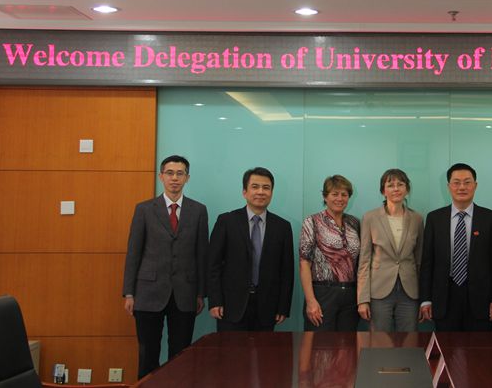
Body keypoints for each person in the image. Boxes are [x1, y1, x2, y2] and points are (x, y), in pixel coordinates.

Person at [122, 155, 209, 378]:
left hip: (185, 293)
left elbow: (202, 254)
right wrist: (129, 292)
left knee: (181, 355)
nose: (174, 178)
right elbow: (134, 253)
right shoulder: (144, 209)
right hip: (148, 292)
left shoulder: (198, 210)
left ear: (187, 178)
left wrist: (201, 293)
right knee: (148, 354)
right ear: (161, 176)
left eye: (180, 174)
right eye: (170, 173)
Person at [419, 163, 492, 331]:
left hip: (481, 299)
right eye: (456, 182)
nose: (462, 187)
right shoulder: (434, 218)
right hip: (444, 297)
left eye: (467, 182)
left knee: (479, 345)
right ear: (448, 186)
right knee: (446, 344)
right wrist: (425, 299)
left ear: (475, 185)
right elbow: (427, 262)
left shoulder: (490, 219)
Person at [207, 167, 294, 331]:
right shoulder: (226, 221)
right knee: (231, 349)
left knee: (264, 349)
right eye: (255, 187)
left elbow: (287, 271)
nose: (261, 192)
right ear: (244, 192)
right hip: (230, 306)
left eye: (266, 187)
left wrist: (283, 307)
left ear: (271, 192)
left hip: (267, 307)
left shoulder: (282, 227)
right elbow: (213, 265)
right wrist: (215, 301)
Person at [357, 168, 424, 331]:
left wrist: (424, 299)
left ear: (407, 189)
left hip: (409, 291)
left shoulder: (417, 219)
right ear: (383, 191)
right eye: (390, 185)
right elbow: (364, 261)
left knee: (409, 340)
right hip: (379, 290)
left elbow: (420, 260)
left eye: (400, 184)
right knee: (379, 340)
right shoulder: (370, 218)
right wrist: (362, 299)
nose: (396, 189)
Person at [299, 175, 361, 331]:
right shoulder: (312, 221)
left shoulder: (354, 223)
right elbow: (304, 263)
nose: (340, 198)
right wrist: (311, 301)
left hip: (351, 295)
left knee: (347, 343)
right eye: (335, 194)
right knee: (321, 344)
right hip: (322, 294)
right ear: (325, 196)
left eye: (344, 194)